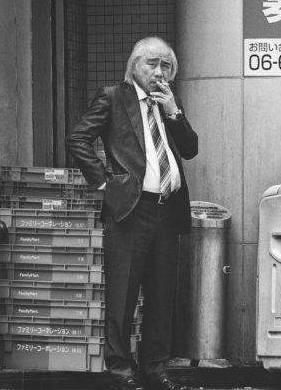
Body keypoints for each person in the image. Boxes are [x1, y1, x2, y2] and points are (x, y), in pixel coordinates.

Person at [67, 36, 197, 390]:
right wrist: (105, 183)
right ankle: (120, 369)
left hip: (168, 210)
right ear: (134, 65)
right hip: (130, 209)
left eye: (166, 66)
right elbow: (78, 139)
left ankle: (155, 367)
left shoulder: (169, 103)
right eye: (152, 64)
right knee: (122, 294)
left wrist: (173, 111)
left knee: (161, 294)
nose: (159, 72)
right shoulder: (113, 97)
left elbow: (190, 149)